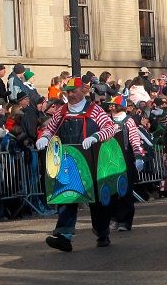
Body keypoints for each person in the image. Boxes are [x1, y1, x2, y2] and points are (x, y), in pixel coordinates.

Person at [35, 77, 118, 252]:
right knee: (67, 195)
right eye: (68, 91)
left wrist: (95, 137)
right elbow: (51, 128)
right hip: (69, 161)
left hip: (93, 161)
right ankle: (64, 236)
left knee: (96, 201)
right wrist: (44, 137)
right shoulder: (62, 111)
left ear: (83, 91)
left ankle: (102, 232)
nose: (71, 94)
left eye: (74, 91)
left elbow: (110, 128)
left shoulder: (95, 110)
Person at [105, 95, 145, 232]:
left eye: (113, 105)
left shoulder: (129, 121)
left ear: (120, 107)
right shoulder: (107, 120)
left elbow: (134, 139)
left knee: (125, 191)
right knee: (111, 191)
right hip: (111, 159)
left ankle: (125, 221)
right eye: (110, 105)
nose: (110, 107)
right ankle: (113, 218)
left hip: (125, 158)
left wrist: (138, 157)